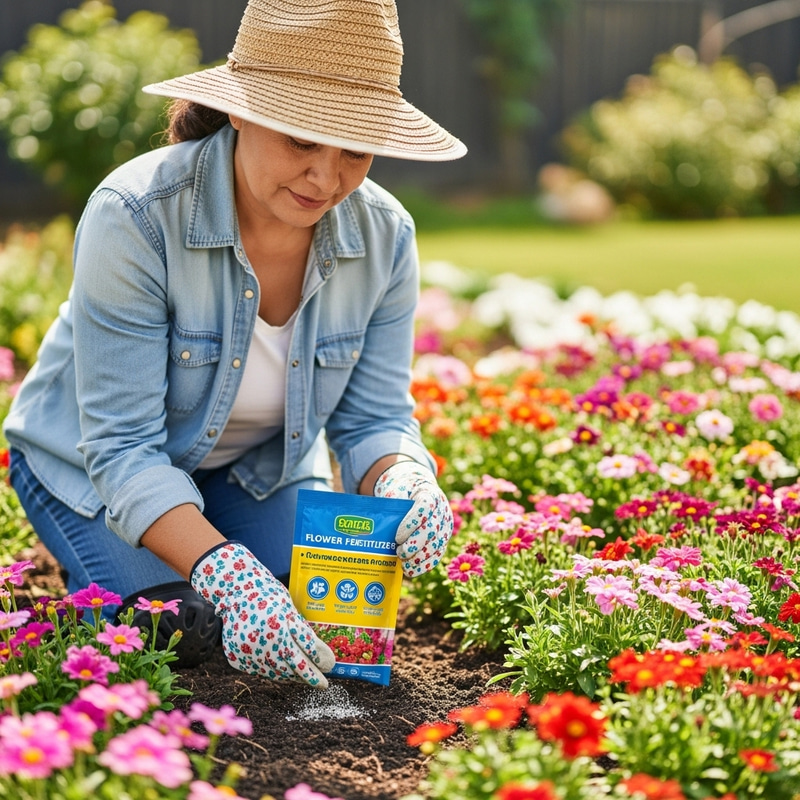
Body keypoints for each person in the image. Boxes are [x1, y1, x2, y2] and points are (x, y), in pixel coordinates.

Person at [3, 0, 465, 687]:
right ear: (241, 110)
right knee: (184, 627)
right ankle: (108, 581)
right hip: (89, 471)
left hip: (251, 468)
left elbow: (373, 418)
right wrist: (224, 571)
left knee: (309, 613)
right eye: (303, 139)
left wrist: (405, 475)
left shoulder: (385, 237)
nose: (325, 178)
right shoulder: (135, 214)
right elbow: (122, 448)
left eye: (356, 151)